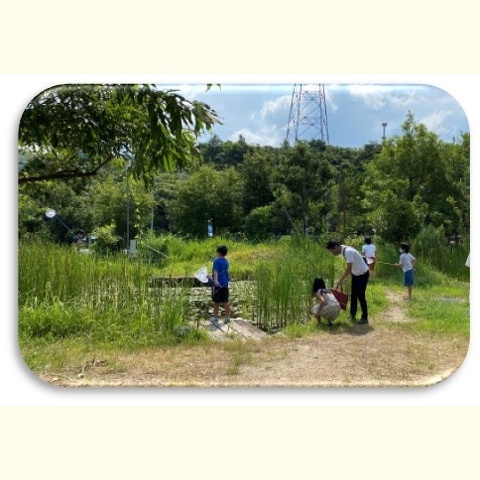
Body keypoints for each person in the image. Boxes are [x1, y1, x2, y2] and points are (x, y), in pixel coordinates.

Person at [326, 240, 369, 324]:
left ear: (336, 247)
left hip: (363, 274)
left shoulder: (348, 252)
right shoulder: (343, 249)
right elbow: (351, 267)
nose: (333, 253)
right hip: (356, 275)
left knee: (360, 295)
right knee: (353, 295)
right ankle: (352, 315)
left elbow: (349, 268)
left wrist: (341, 281)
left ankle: (364, 317)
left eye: (332, 251)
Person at [209, 245, 231, 325]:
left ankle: (215, 317)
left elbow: (216, 271)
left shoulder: (216, 261)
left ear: (218, 252)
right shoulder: (226, 261)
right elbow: (226, 272)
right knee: (225, 301)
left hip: (217, 285)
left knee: (216, 301)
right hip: (225, 284)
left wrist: (215, 281)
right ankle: (228, 317)